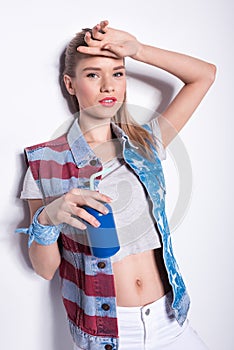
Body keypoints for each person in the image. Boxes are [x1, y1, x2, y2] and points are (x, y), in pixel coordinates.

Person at [18, 20, 216, 350]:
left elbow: (205, 75)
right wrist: (49, 217)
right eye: (93, 74)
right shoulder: (45, 163)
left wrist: (138, 50)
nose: (109, 85)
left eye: (118, 73)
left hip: (170, 320)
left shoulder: (146, 143)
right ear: (70, 83)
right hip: (111, 332)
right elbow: (45, 269)